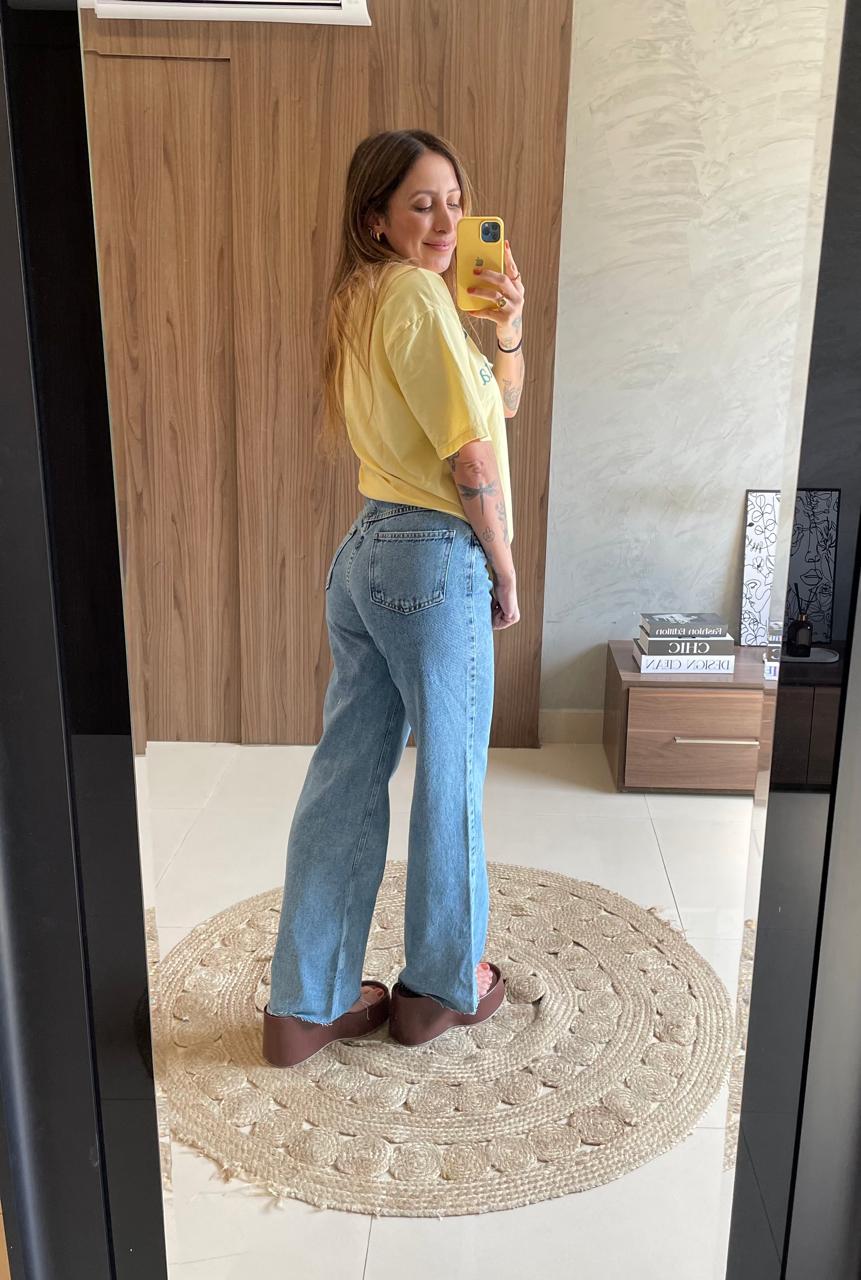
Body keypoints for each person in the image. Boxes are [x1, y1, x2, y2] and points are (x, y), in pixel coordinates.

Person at [263, 128, 526, 1067]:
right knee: (449, 778)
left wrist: (508, 330)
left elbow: (497, 404)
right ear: (375, 216)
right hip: (432, 558)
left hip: (367, 553)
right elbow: (471, 456)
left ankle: (305, 1005)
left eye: (454, 200)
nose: (447, 221)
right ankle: (439, 991)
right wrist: (501, 564)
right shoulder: (414, 294)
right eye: (422, 203)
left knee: (345, 773)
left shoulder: (363, 296)